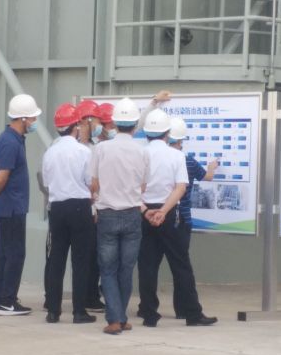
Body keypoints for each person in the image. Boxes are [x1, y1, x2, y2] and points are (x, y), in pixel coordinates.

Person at [138, 109, 218, 327]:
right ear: (167, 133)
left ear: (147, 133)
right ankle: (192, 314)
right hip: (169, 214)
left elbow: (133, 188)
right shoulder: (177, 156)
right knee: (181, 265)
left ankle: (149, 314)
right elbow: (180, 188)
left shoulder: (139, 154)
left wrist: (146, 211)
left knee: (147, 266)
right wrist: (163, 212)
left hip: (144, 214)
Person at [90, 97, 150, 335]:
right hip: (132, 214)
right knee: (126, 269)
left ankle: (115, 319)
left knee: (108, 269)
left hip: (107, 214)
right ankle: (121, 317)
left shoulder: (101, 149)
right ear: (135, 125)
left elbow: (94, 183)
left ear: (114, 123)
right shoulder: (142, 151)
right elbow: (144, 186)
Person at [0, 94, 41, 317]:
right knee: (15, 253)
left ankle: (3, 298)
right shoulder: (9, 142)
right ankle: (6, 301)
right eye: (32, 118)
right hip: (11, 207)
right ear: (23, 119)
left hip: (11, 206)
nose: (34, 122)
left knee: (6, 253)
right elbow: (2, 176)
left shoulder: (13, 139)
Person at [42, 103, 96, 324]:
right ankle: (79, 311)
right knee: (80, 260)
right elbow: (90, 182)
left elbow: (47, 183)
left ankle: (53, 310)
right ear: (75, 126)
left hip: (57, 207)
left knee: (57, 258)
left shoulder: (49, 152)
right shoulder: (84, 151)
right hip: (80, 206)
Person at [168, 117, 217, 319]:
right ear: (180, 140)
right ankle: (184, 310)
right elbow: (207, 177)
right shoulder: (186, 160)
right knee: (181, 266)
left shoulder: (155, 157)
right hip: (182, 218)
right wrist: (212, 167)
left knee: (150, 265)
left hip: (156, 216)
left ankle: (147, 309)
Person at [75, 99, 106, 313]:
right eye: (96, 121)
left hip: (92, 207)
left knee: (92, 256)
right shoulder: (79, 149)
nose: (99, 125)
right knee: (85, 256)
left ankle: (90, 295)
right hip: (84, 207)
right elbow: (89, 183)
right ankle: (88, 298)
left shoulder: (93, 146)